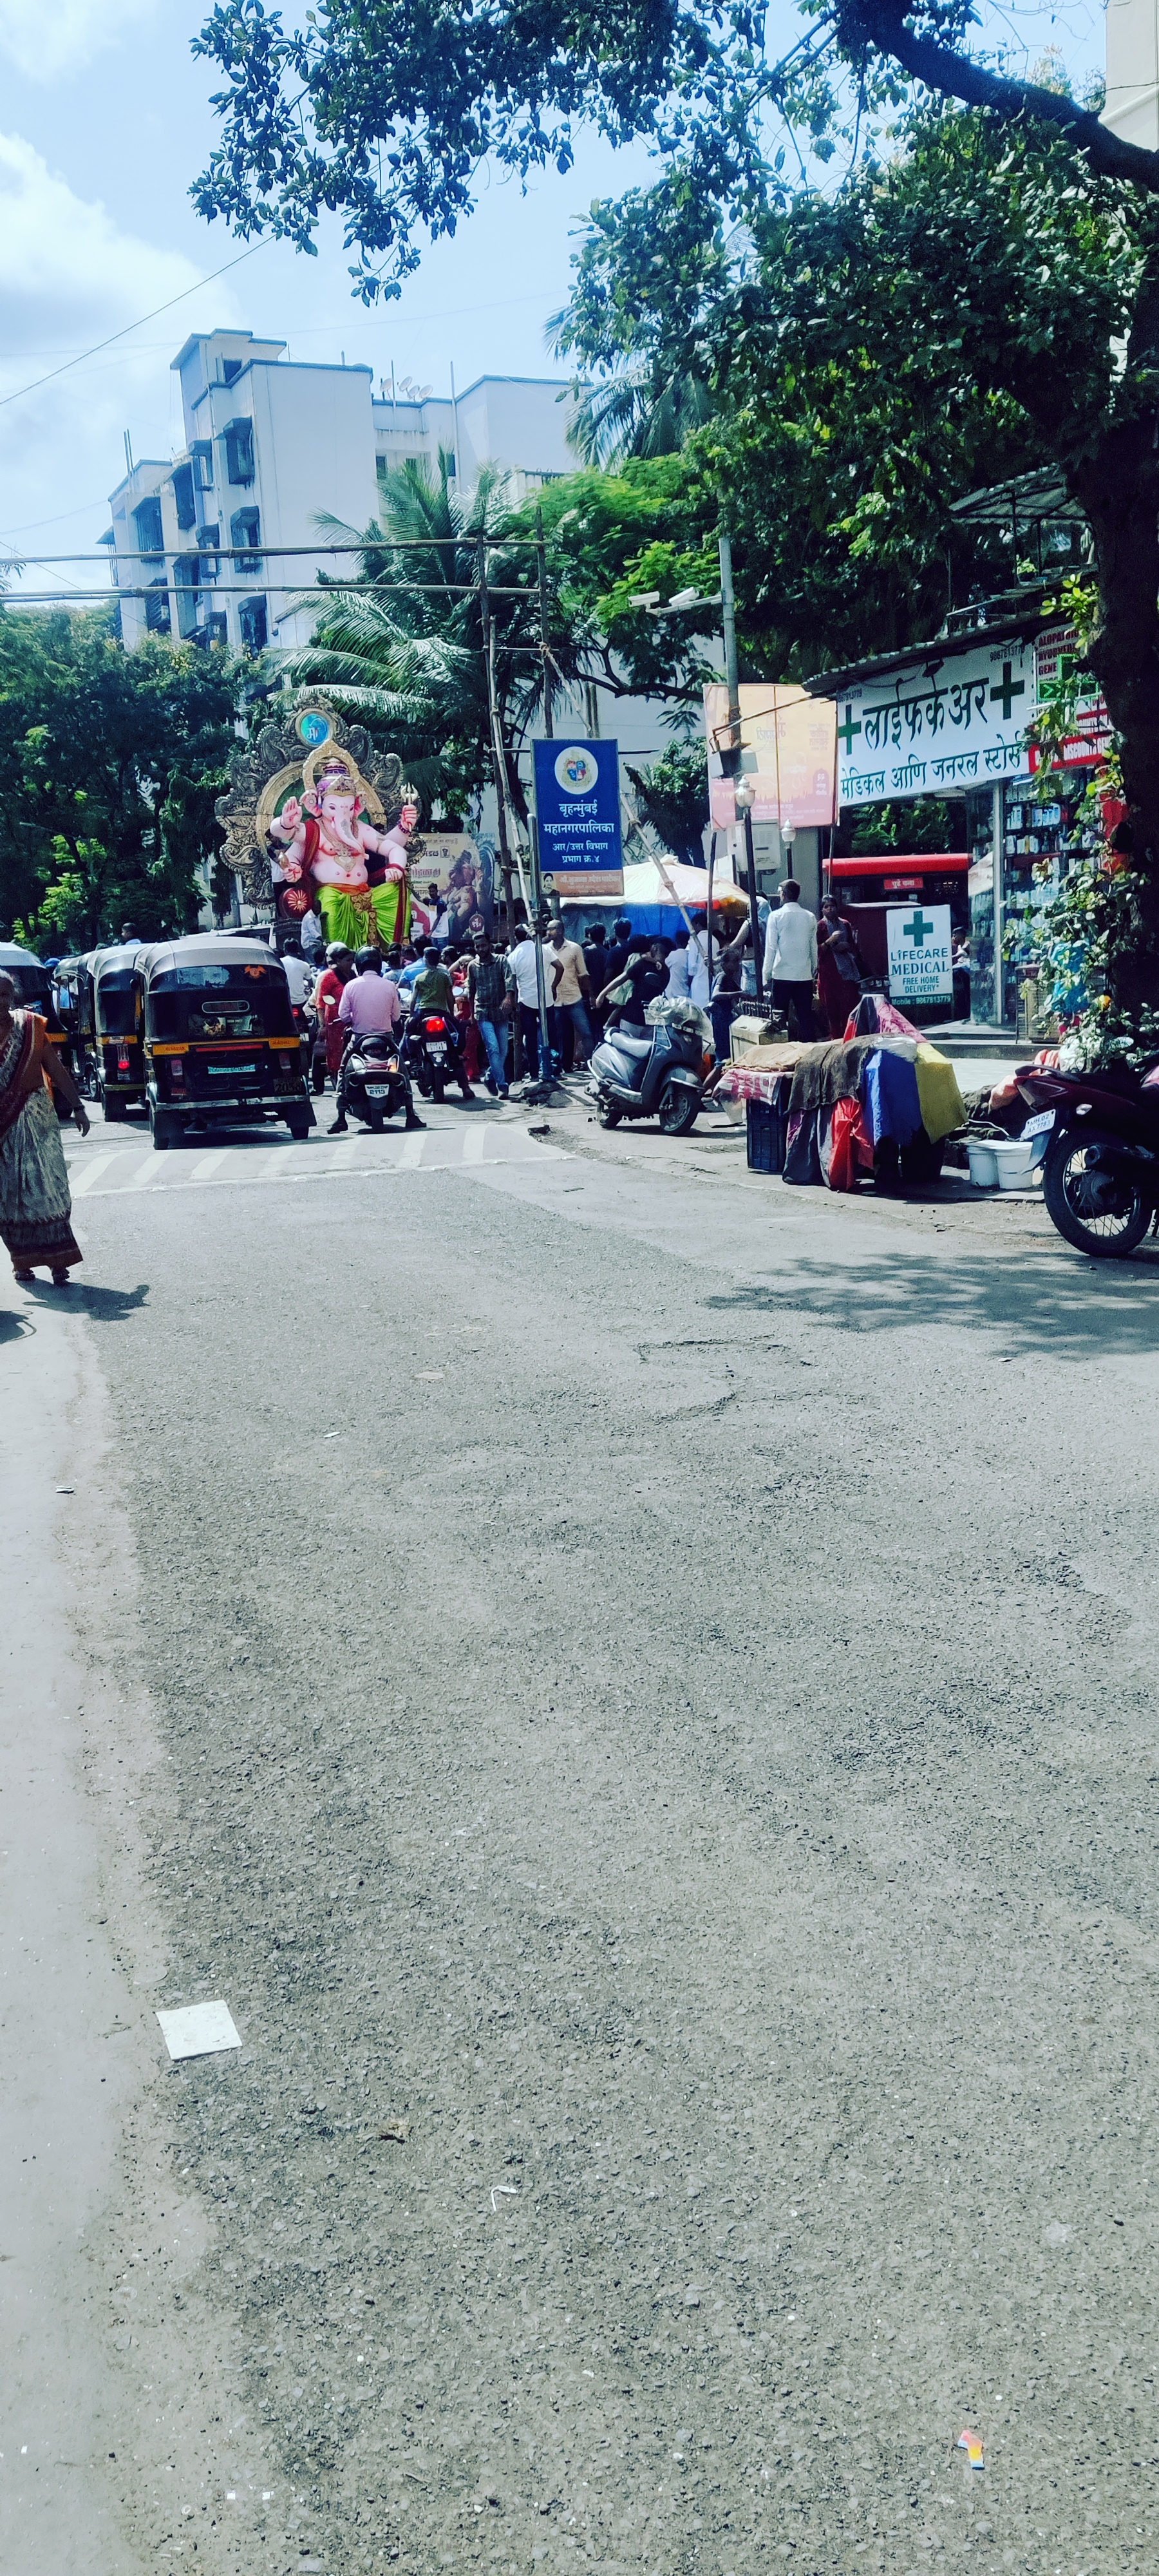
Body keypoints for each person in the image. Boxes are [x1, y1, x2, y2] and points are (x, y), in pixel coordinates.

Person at [0, 969, 90, 1284]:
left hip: (38, 1123)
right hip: (2, 1128)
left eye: (5, 995)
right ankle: (22, 1262)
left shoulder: (31, 1026)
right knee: (9, 1197)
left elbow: (55, 1068)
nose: (0, 1001)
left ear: (13, 997)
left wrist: (78, 1107)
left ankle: (58, 1262)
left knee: (48, 1192)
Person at [330, 949, 423, 1133]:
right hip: (386, 1039)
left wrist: (355, 1018)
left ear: (359, 965)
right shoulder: (389, 986)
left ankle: (340, 1118)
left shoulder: (351, 986)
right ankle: (411, 1115)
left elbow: (344, 1015)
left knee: (343, 1071)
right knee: (403, 1073)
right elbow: (396, 1017)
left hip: (359, 1039)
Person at [762, 879, 818, 1039]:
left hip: (781, 975)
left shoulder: (775, 916)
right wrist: (813, 970)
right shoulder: (810, 917)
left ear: (783, 895)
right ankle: (809, 1048)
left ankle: (782, 1049)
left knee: (779, 1019)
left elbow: (771, 948)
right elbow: (813, 948)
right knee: (805, 1018)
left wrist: (766, 975)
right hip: (803, 975)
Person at [545, 918, 594, 1071]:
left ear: (561, 931)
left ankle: (591, 1064)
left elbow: (583, 974)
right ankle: (563, 1066)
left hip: (574, 997)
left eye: (552, 929)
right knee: (561, 1035)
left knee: (586, 1032)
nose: (549, 932)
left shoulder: (575, 948)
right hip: (555, 999)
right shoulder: (545, 949)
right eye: (548, 929)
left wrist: (591, 995)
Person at [467, 929, 510, 1097]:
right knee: (493, 1048)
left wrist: (509, 998)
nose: (481, 949)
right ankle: (502, 1085)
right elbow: (471, 991)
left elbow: (509, 981)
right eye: (478, 946)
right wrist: (472, 1014)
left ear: (490, 945)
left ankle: (489, 1076)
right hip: (483, 1012)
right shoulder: (473, 966)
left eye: (483, 945)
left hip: (500, 1012)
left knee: (503, 1051)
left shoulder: (501, 960)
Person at [504, 927, 550, 1082]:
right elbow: (559, 967)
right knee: (547, 1035)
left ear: (516, 938)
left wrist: (514, 1003)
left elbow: (511, 983)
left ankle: (535, 1073)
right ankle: (550, 1069)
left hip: (526, 1001)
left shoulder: (514, 956)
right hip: (545, 1000)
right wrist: (552, 986)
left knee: (530, 1038)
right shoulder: (543, 949)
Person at [816, 896, 863, 1037]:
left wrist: (846, 946)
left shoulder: (845, 924)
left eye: (832, 906)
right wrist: (829, 942)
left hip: (846, 974)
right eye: (826, 907)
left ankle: (850, 1037)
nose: (830, 909)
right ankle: (836, 1039)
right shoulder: (820, 927)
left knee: (849, 1008)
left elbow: (854, 947)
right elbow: (816, 951)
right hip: (829, 975)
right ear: (822, 910)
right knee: (832, 1011)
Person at [312, 941, 357, 1088]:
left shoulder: (353, 975)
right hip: (334, 1023)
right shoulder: (328, 977)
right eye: (348, 960)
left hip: (351, 1022)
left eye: (352, 960)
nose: (351, 963)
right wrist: (322, 1026)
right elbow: (321, 1003)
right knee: (335, 1054)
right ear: (338, 961)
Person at [279, 938, 313, 1007]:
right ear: (298, 950)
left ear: (285, 950)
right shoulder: (305, 965)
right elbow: (310, 983)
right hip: (300, 1001)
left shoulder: (279, 963)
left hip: (284, 1001)